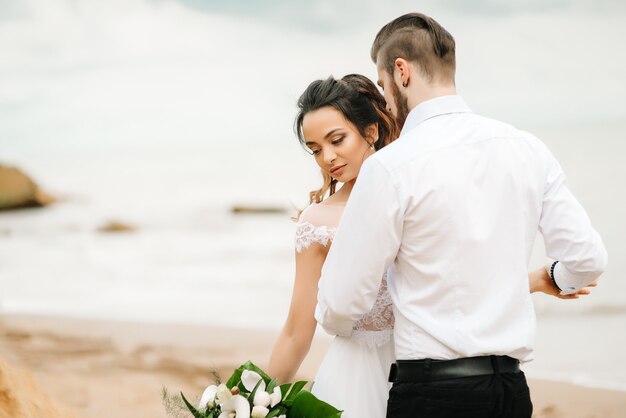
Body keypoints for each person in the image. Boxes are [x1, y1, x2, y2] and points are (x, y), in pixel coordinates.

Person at [315, 12, 608, 418]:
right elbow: (588, 260)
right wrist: (558, 278)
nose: (384, 101)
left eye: (382, 85)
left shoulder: (392, 167)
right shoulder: (527, 148)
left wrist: (342, 328)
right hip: (509, 389)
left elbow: (342, 301)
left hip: (432, 394)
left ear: (401, 71)